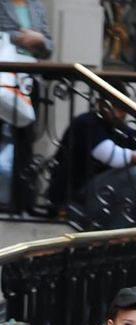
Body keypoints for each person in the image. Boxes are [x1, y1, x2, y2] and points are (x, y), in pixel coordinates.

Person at [48, 80, 136, 228]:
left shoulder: (119, 128)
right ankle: (118, 232)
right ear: (101, 105)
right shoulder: (87, 122)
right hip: (75, 197)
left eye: (123, 108)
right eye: (116, 107)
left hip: (100, 194)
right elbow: (112, 156)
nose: (122, 114)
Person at [0, 0, 53, 213]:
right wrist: (23, 38)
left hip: (30, 81)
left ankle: (21, 202)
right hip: (4, 79)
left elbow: (49, 46)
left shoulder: (37, 6)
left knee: (26, 139)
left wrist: (39, 39)